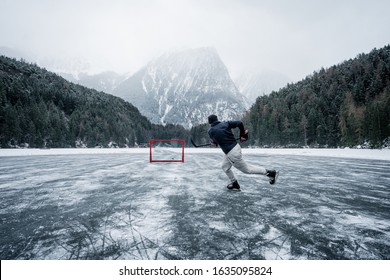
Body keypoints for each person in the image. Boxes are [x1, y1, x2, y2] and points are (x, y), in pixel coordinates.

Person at [207, 114, 278, 191]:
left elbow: (215, 144)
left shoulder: (211, 131)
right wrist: (242, 135)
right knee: (225, 167)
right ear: (217, 120)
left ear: (210, 123)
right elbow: (239, 123)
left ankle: (270, 173)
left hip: (231, 153)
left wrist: (213, 143)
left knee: (247, 170)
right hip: (235, 148)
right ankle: (235, 184)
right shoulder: (225, 123)